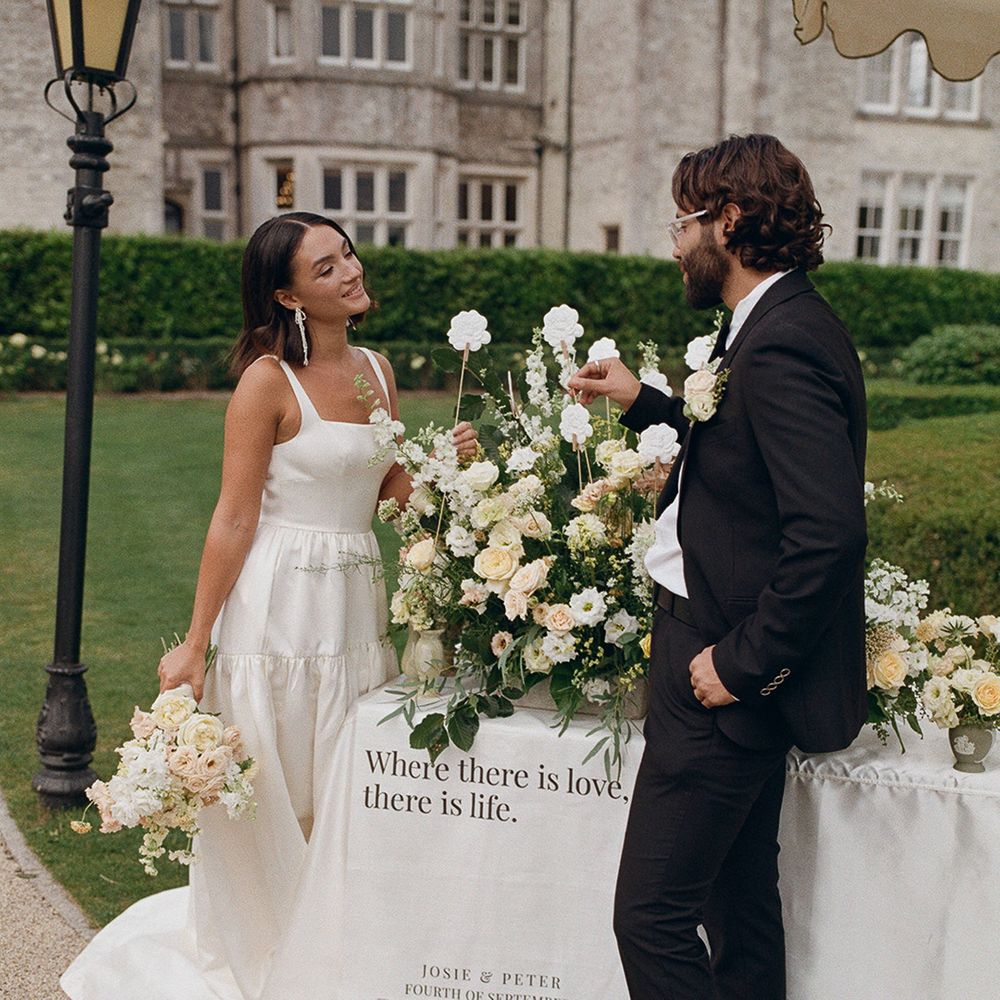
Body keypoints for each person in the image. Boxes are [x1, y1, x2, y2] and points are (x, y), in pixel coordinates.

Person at [61, 212, 477, 1000]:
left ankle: (332, 939)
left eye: (347, 253)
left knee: (342, 773)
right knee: (275, 775)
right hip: (278, 605)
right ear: (288, 295)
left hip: (355, 602)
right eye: (326, 268)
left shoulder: (378, 370)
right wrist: (195, 643)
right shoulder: (266, 382)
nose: (350, 270)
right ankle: (268, 942)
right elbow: (233, 517)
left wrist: (445, 467)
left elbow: (389, 493)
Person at [569, 134, 868, 1000]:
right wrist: (645, 402)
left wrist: (740, 664)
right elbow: (743, 458)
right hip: (710, 649)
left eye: (681, 222)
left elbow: (828, 532)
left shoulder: (782, 343)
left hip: (720, 669)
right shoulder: (772, 321)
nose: (673, 244)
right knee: (738, 903)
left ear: (728, 220)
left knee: (651, 919)